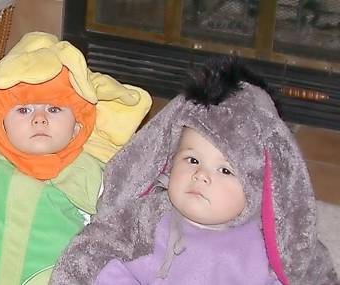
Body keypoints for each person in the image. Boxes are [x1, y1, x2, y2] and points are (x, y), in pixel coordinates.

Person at [51, 57, 339, 285]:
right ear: (169, 160)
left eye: (226, 170)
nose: (202, 175)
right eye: (192, 160)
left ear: (258, 185)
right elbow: (90, 256)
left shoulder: (269, 245)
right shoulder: (145, 218)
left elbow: (309, 273)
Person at [0, 32, 152, 285]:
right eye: (24, 110)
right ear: (0, 124)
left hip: (47, 274)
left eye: (54, 109)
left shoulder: (89, 174)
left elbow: (108, 227)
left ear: (78, 126)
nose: (39, 119)